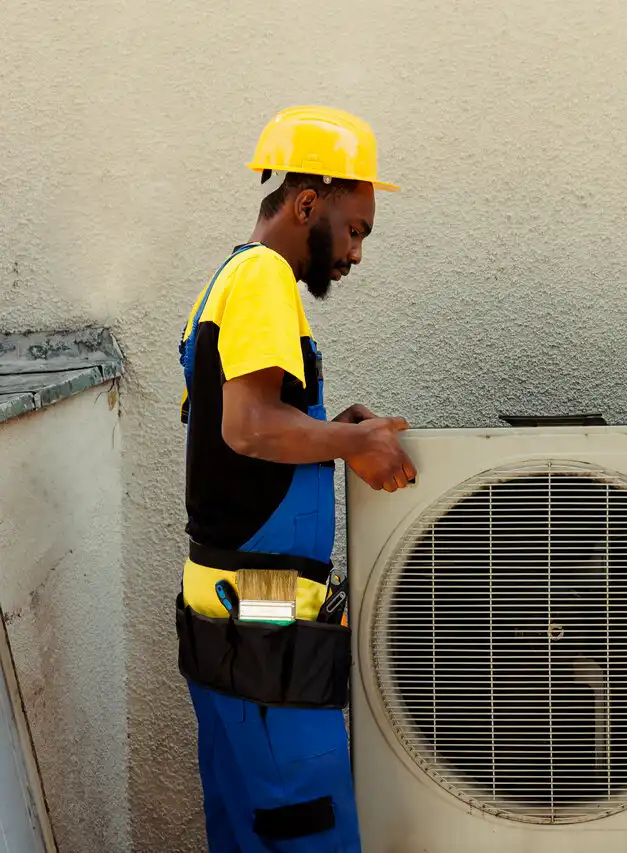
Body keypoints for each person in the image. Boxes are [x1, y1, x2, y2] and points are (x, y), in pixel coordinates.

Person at [174, 105, 416, 852]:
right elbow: (246, 426)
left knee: (249, 831)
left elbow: (252, 432)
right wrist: (351, 445)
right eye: (355, 228)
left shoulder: (232, 278)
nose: (356, 253)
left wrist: (333, 429)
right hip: (262, 618)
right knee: (307, 828)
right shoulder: (264, 279)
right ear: (307, 201)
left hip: (235, 607)